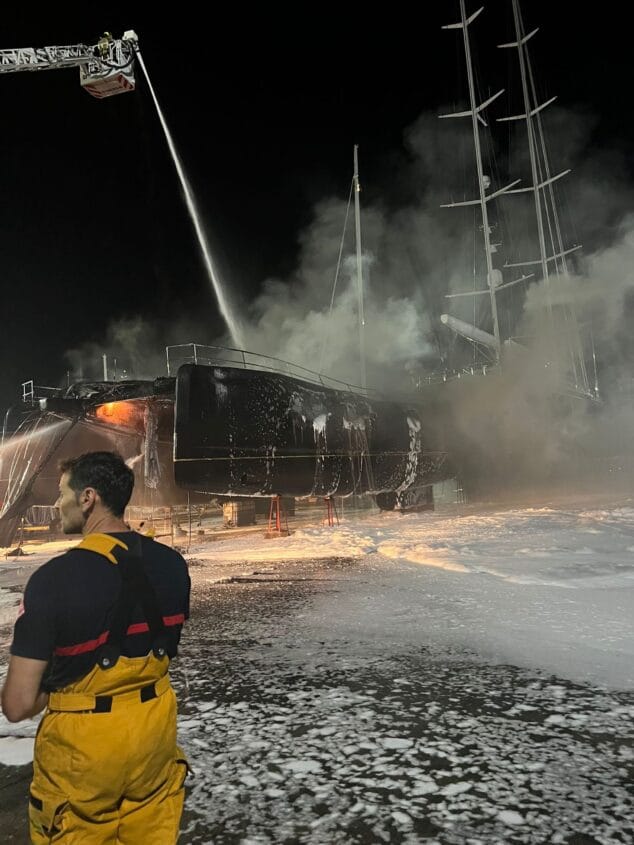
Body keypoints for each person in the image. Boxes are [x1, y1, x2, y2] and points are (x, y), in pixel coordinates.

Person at [1, 451, 191, 843]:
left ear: (88, 498)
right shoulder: (173, 565)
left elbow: (18, 705)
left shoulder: (52, 581)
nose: (56, 505)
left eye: (61, 494)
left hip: (83, 754)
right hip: (154, 736)